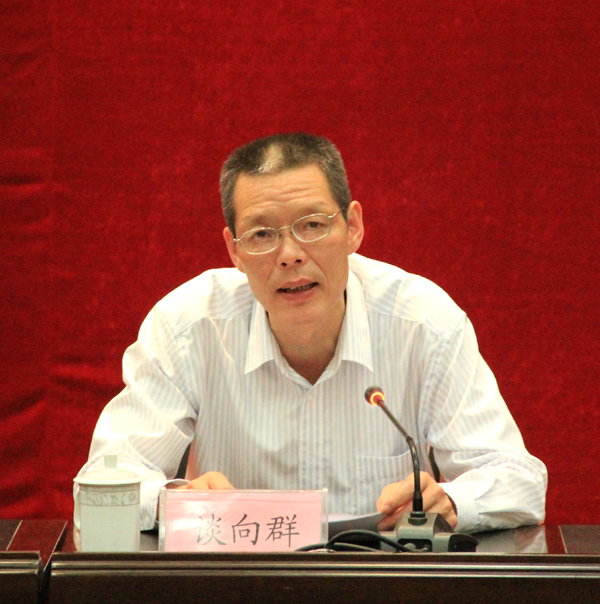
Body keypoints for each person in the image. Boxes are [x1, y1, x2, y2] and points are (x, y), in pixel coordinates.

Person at [76, 133, 547, 534]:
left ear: (353, 227)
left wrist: (452, 501)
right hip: (242, 586)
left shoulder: (423, 323)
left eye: (313, 226)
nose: (290, 254)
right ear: (234, 251)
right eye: (262, 235)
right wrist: (171, 502)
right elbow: (101, 484)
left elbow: (518, 479)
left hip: (384, 586)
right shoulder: (187, 327)